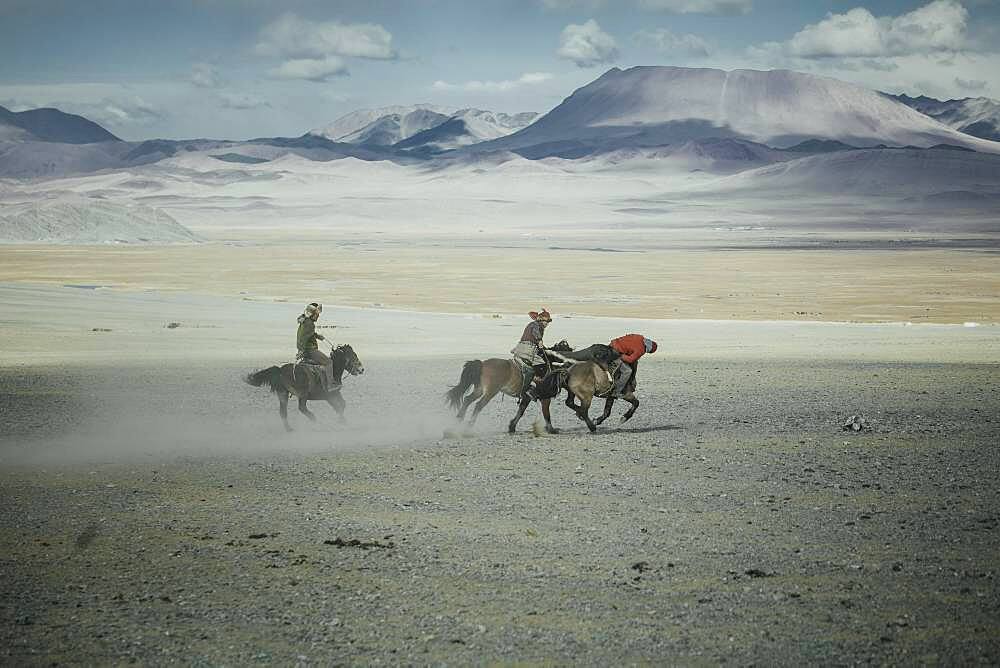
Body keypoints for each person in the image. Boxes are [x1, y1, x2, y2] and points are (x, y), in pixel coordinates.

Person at [296, 302, 340, 392]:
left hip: (305, 349)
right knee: (328, 362)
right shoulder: (310, 324)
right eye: (317, 314)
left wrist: (317, 336)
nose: (318, 316)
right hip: (310, 350)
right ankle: (330, 385)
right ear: (312, 314)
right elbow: (304, 338)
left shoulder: (305, 321)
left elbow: (307, 334)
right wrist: (301, 351)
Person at [511, 309, 552, 401]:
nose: (546, 324)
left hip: (522, 347)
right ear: (540, 320)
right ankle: (530, 387)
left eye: (547, 322)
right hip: (527, 349)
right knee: (541, 364)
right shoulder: (536, 325)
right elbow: (536, 334)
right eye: (545, 321)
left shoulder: (533, 324)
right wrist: (539, 340)